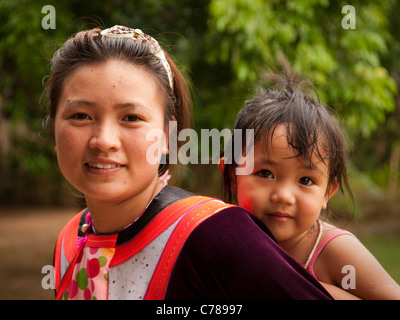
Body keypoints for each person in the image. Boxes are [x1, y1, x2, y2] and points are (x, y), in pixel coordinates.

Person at [46, 25, 332, 300]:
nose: (103, 140)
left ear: (169, 137)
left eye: (131, 118)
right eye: (81, 115)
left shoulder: (213, 233)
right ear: (53, 128)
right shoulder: (71, 240)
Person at [219, 59, 400, 300]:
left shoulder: (335, 250)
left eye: (305, 180)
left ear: (328, 192)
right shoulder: (223, 238)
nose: (283, 195)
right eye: (265, 173)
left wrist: (311, 291)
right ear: (232, 175)